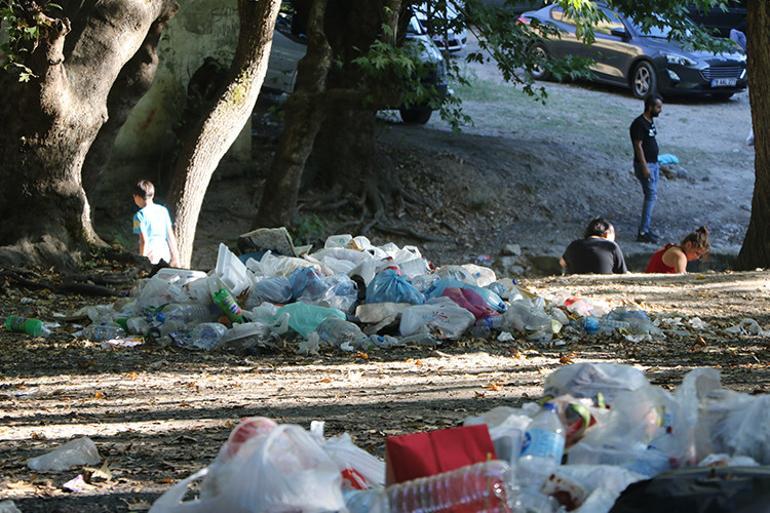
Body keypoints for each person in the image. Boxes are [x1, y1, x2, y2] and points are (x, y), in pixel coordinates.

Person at [630, 94, 663, 244]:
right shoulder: (639, 123)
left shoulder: (650, 122)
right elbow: (638, 146)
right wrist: (644, 166)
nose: (660, 110)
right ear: (650, 107)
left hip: (653, 164)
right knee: (650, 196)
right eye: (658, 107)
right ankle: (643, 231)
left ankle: (646, 229)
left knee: (651, 196)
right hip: (646, 165)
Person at [132, 180, 180, 267]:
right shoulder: (163, 210)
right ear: (152, 195)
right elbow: (170, 236)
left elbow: (144, 241)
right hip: (165, 254)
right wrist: (176, 257)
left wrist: (142, 261)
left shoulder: (138, 216)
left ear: (137, 197)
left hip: (150, 257)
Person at [560, 218, 628, 274]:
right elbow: (621, 272)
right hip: (604, 285)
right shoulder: (611, 246)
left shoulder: (574, 244)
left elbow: (562, 262)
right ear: (606, 234)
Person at [645, 226, 710, 274]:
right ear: (688, 245)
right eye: (697, 253)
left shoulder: (673, 248)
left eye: (700, 256)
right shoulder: (680, 256)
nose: (697, 257)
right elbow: (681, 278)